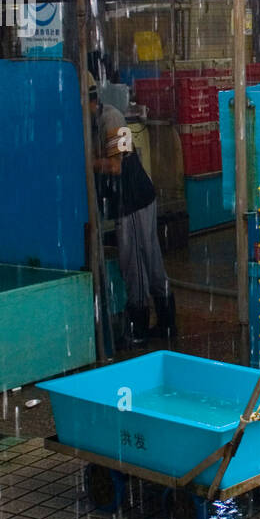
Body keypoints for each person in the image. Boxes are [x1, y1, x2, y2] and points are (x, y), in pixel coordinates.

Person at [89, 72, 174, 346]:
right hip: (129, 201)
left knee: (135, 263)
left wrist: (87, 162)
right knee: (148, 261)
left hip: (134, 200)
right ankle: (166, 323)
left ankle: (139, 328)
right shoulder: (93, 121)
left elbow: (116, 166)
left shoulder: (110, 118)